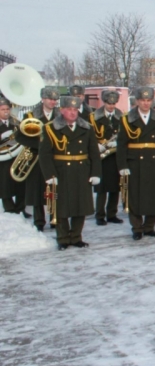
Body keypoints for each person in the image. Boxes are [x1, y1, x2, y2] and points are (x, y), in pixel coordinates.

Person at [38, 96, 101, 250]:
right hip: (61, 171)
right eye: (69, 109)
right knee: (62, 207)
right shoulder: (50, 128)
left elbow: (94, 153)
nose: (73, 113)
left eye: (75, 109)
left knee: (81, 206)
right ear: (62, 110)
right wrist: (50, 175)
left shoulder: (86, 127)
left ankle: (76, 237)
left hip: (82, 171)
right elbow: (45, 154)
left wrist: (95, 173)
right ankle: (63, 238)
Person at [116, 87, 155, 241]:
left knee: (153, 195)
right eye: (142, 100)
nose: (146, 103)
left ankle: (149, 227)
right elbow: (121, 144)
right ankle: (137, 227)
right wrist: (122, 165)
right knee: (135, 195)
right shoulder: (127, 119)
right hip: (134, 161)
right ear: (137, 101)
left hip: (153, 161)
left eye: (148, 100)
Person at [16, 87, 60, 231]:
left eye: (55, 99)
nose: (53, 102)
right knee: (37, 190)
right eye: (50, 99)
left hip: (54, 157)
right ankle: (39, 221)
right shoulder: (30, 116)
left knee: (54, 188)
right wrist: (40, 145)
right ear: (43, 99)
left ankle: (55, 218)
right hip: (36, 158)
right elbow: (19, 136)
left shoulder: (60, 115)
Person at [90, 89, 124, 225]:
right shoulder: (93, 117)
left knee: (115, 187)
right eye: (109, 103)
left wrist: (118, 143)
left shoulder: (122, 117)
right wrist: (96, 145)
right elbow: (89, 135)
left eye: (114, 103)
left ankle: (112, 214)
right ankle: (99, 215)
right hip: (101, 156)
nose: (111, 106)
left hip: (115, 156)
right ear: (104, 102)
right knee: (102, 188)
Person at [0, 97, 26, 214]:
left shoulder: (16, 122)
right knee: (5, 182)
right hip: (2, 158)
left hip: (16, 155)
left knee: (20, 181)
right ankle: (9, 207)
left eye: (7, 109)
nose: (6, 111)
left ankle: (20, 206)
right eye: (2, 109)